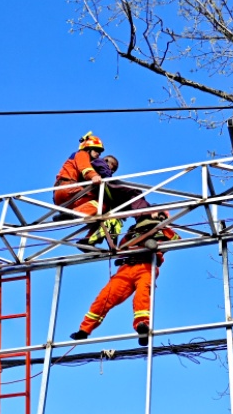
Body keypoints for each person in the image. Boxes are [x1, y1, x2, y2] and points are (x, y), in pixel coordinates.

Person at [69, 216, 180, 346]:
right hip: (126, 268)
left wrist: (162, 231)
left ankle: (142, 327)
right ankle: (84, 330)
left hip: (146, 266)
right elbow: (121, 249)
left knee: (142, 296)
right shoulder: (132, 232)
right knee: (104, 297)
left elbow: (176, 240)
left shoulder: (162, 229)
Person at [53, 132, 106, 216]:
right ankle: (74, 215)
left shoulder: (74, 157)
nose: (98, 154)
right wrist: (94, 176)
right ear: (88, 148)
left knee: (85, 210)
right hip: (68, 189)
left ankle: (68, 216)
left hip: (58, 196)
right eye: (96, 150)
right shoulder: (82, 153)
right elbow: (85, 168)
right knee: (102, 203)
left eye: (100, 153)